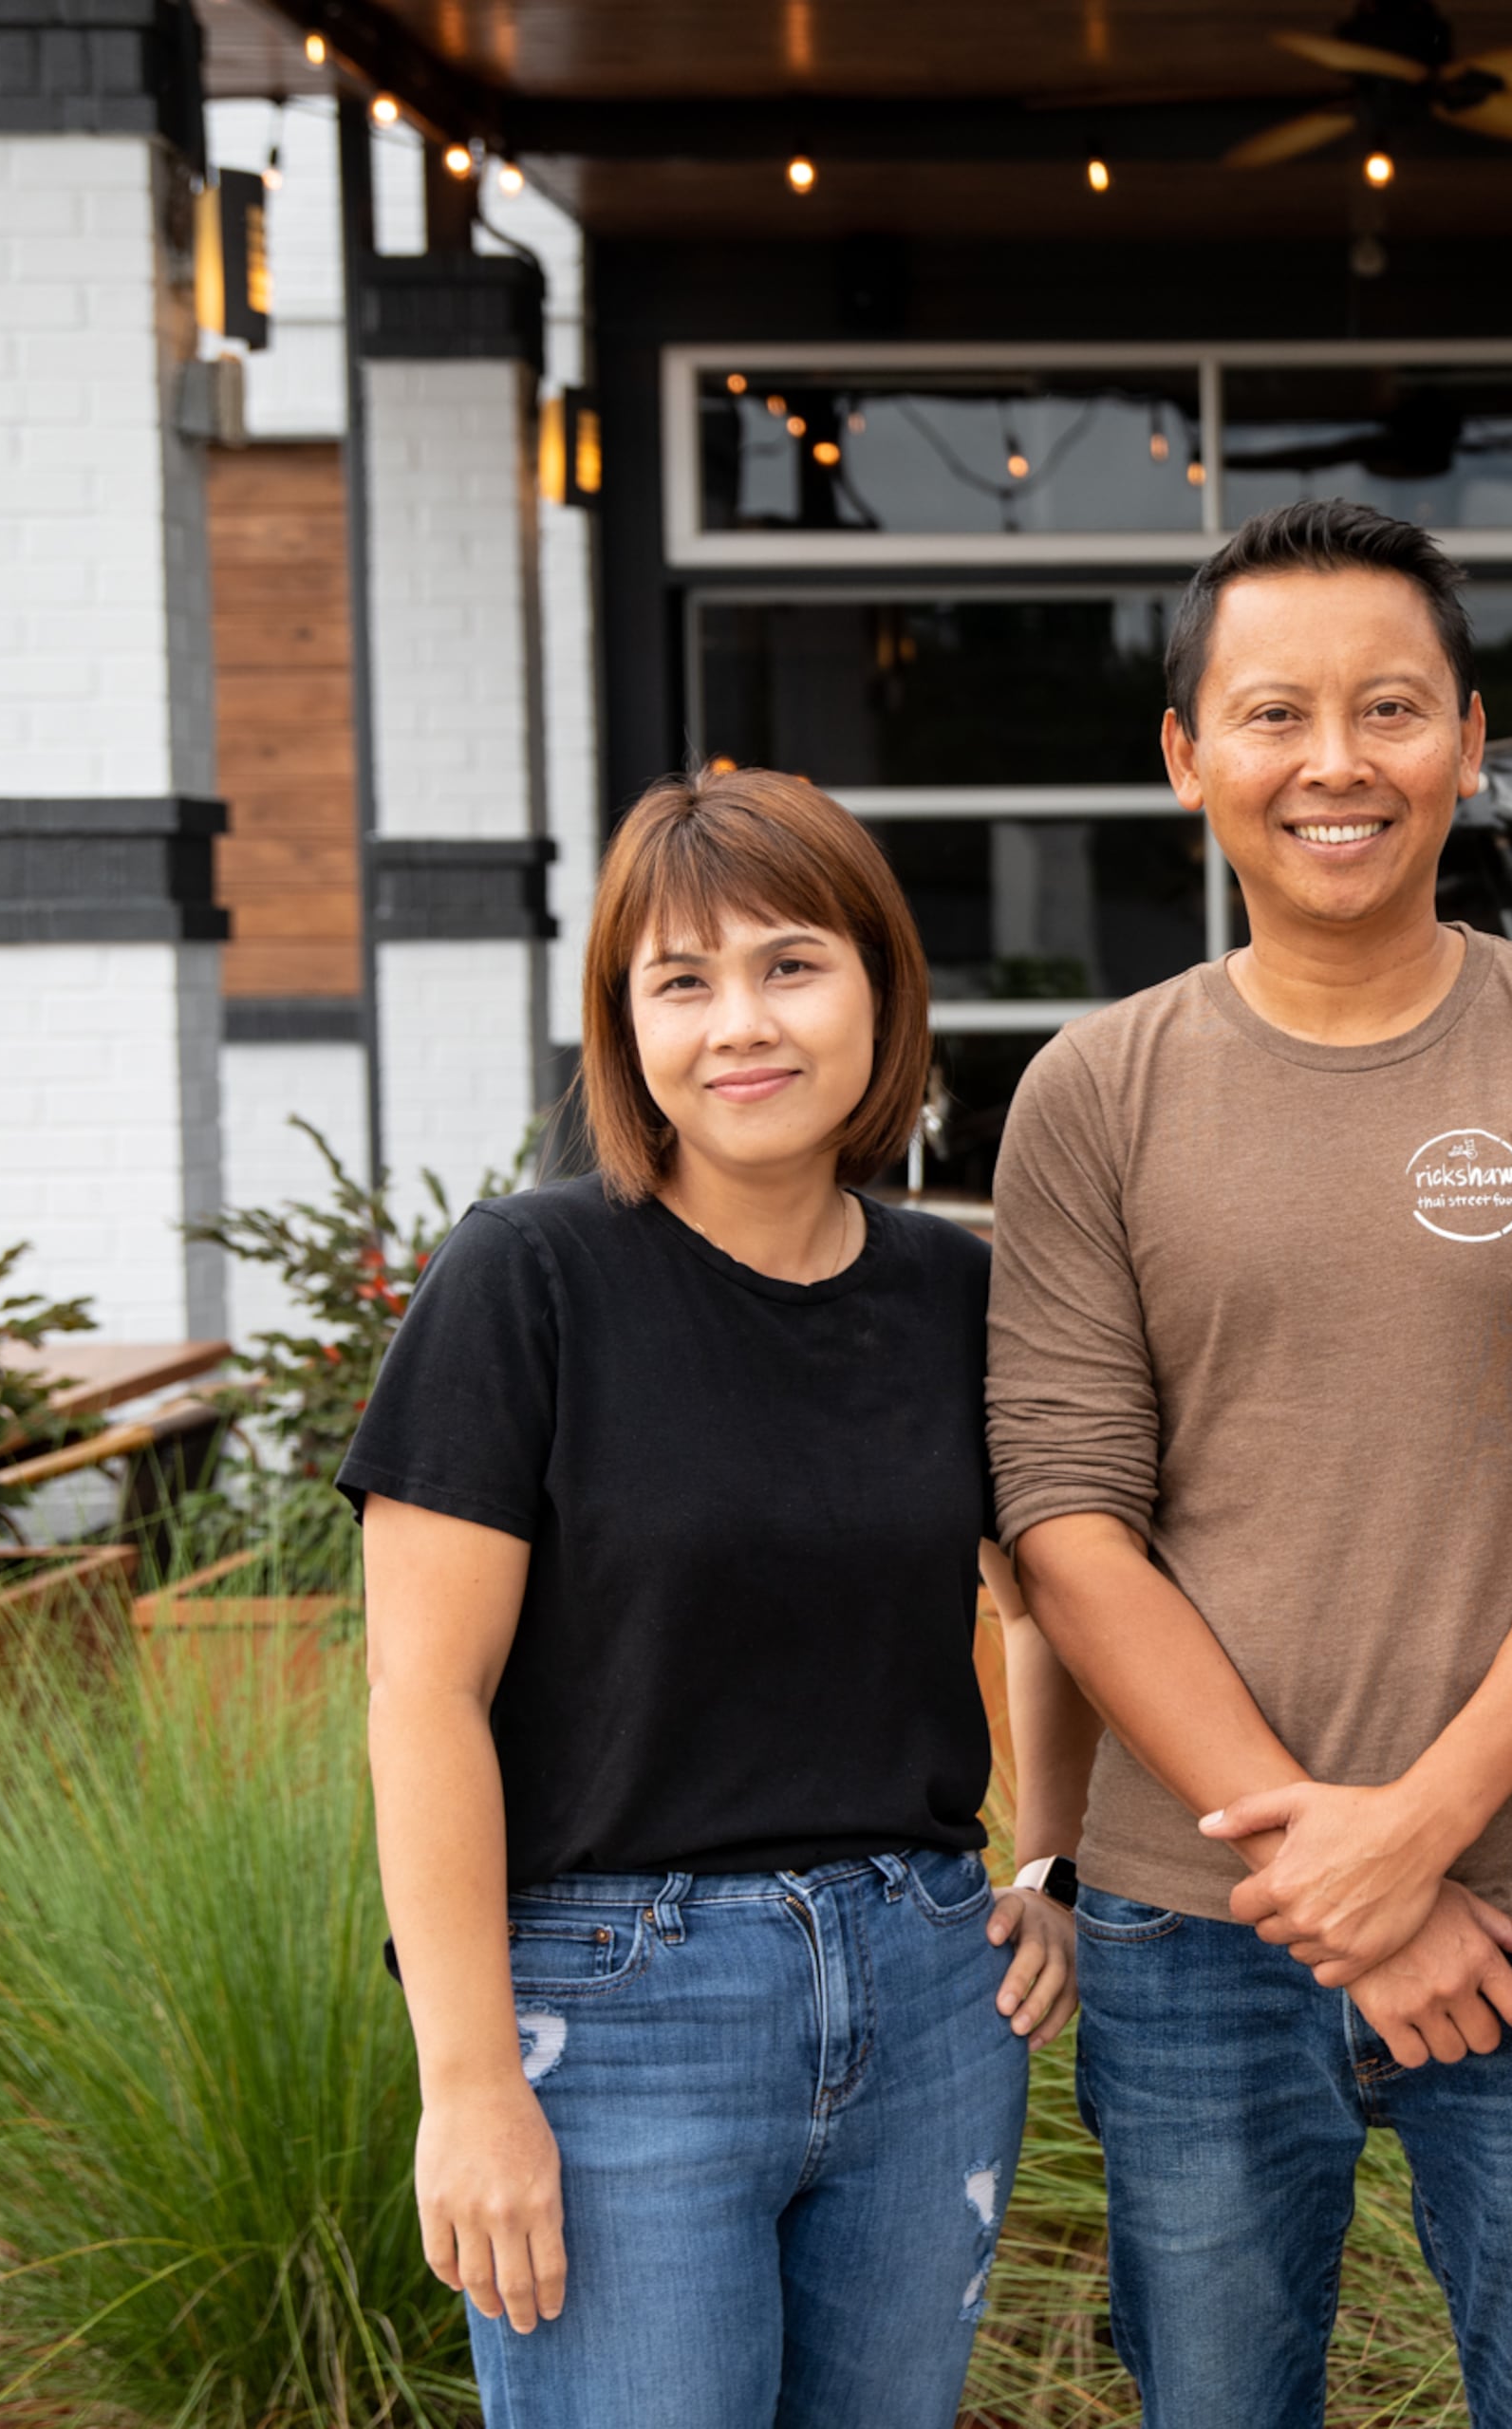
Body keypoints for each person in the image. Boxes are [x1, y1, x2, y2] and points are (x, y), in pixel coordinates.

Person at [988, 499, 1512, 2429]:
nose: (1336, 762)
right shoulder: (1094, 1092)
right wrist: (1348, 1876)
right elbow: (1068, 1518)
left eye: (1390, 707)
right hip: (1188, 1920)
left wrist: (1419, 1835)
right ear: (1186, 758)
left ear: (1470, 739)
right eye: (1273, 714)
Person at [345, 767, 1092, 2429]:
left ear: (880, 989)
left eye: (789, 965)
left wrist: (1052, 1859)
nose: (738, 1025)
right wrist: (466, 2086)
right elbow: (422, 1697)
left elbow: (1047, 1600)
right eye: (680, 982)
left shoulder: (956, 1291)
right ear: (625, 1027)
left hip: (924, 1988)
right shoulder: (526, 1280)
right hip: (616, 2017)